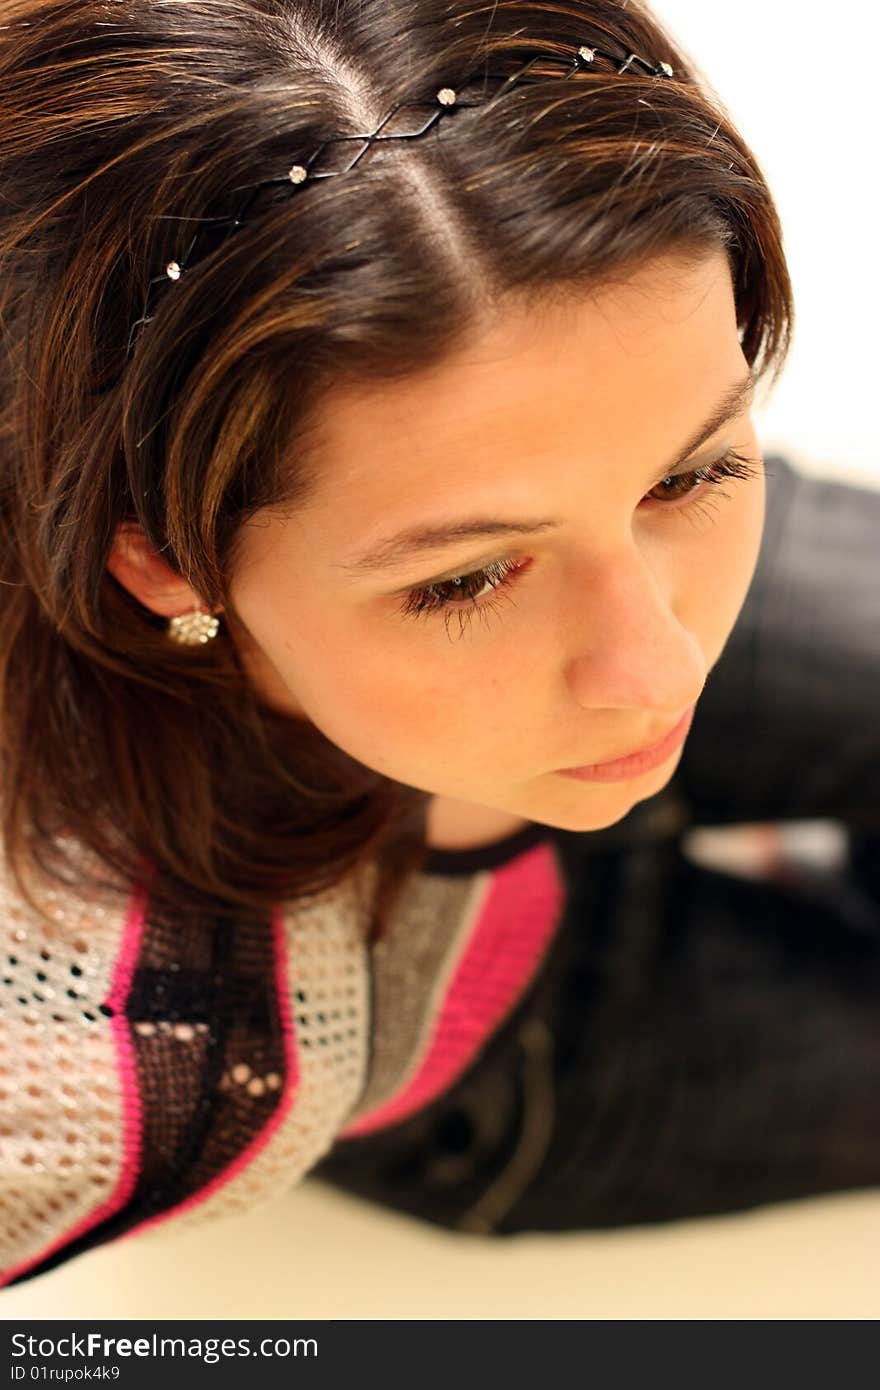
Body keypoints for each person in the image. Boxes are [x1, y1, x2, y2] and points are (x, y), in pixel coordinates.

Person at [0, 0, 877, 1290]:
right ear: (163, 555)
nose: (663, 666)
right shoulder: (98, 1057)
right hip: (530, 1048)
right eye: (468, 576)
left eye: (691, 475)